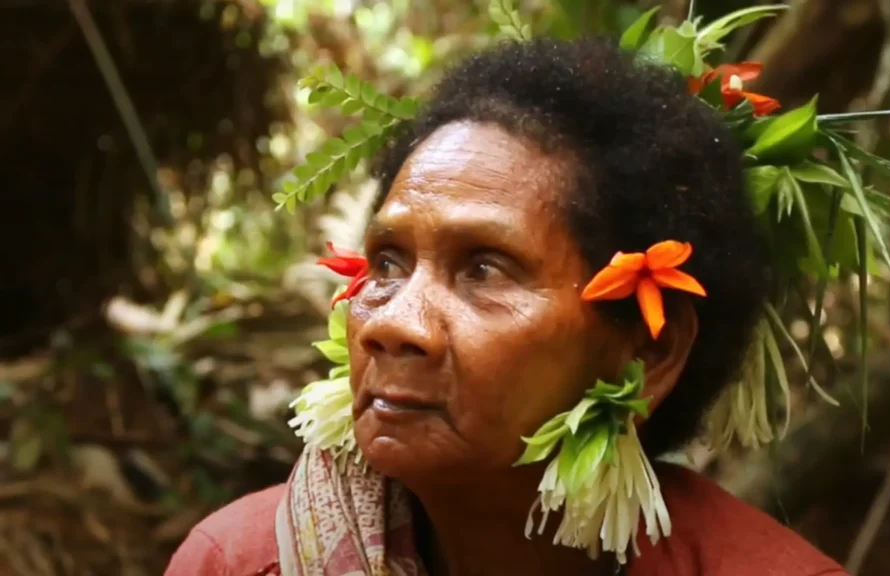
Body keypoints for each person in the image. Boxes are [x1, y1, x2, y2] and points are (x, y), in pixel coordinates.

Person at [166, 38, 850, 576]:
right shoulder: (238, 563)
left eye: (484, 269)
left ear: (648, 349)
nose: (395, 324)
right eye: (387, 263)